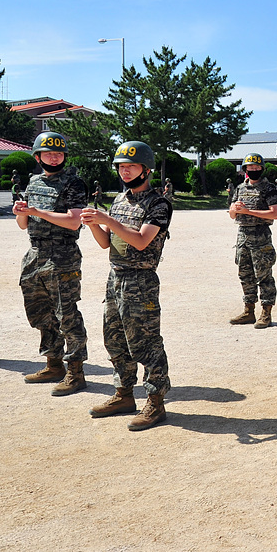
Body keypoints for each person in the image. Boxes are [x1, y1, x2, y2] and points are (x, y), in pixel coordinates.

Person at [80, 141, 173, 431]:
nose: (125, 171)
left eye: (131, 166)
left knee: (146, 342)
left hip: (141, 280)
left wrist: (106, 218)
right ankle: (123, 394)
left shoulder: (159, 204)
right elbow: (106, 242)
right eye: (121, 166)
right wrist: (94, 223)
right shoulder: (119, 201)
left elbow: (142, 240)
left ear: (146, 169)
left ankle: (156, 401)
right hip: (115, 278)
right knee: (115, 339)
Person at [13, 131, 90, 396]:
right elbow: (24, 225)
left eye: (58, 153)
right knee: (40, 313)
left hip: (63, 256)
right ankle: (53, 363)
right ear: (37, 156)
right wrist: (21, 214)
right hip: (35, 254)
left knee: (66, 315)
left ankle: (76, 372)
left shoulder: (74, 184)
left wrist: (36, 212)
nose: (54, 157)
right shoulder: (33, 182)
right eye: (48, 153)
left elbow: (73, 221)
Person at [227, 153, 277, 327]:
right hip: (243, 236)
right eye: (250, 168)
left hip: (261, 236)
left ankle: (266, 312)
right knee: (245, 275)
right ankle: (249, 310)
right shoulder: (240, 188)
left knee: (264, 275)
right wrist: (234, 209)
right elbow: (231, 214)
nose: (254, 170)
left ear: (262, 169)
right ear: (245, 169)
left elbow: (274, 213)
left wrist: (248, 212)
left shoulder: (269, 188)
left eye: (257, 168)